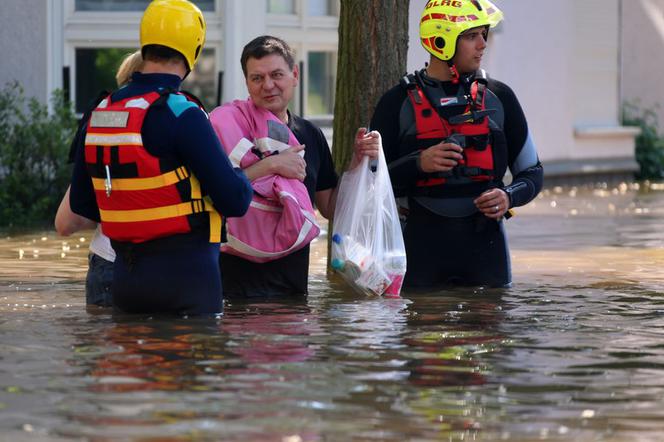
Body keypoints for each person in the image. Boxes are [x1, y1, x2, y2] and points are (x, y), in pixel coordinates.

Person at [68, 0, 252, 314]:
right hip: (187, 285)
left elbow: (82, 205)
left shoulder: (100, 111)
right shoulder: (181, 111)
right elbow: (235, 200)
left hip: (126, 285)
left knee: (132, 363)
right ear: (193, 48)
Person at [370, 0, 543, 289]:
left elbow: (533, 172)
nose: (482, 44)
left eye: (483, 34)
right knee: (419, 329)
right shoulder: (395, 103)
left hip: (486, 250)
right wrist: (418, 163)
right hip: (421, 251)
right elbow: (372, 184)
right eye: (471, 35)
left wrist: (508, 196)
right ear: (441, 41)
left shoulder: (500, 97)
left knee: (490, 331)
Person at [210, 35, 379, 297]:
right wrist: (272, 165)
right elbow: (217, 194)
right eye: (257, 78)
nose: (268, 85)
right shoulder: (229, 129)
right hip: (234, 290)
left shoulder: (310, 134)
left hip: (293, 289)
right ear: (247, 82)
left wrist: (357, 164)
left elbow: (331, 208)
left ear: (295, 75)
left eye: (277, 74)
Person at [55, 50, 143, 308]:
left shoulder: (102, 136)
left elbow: (65, 223)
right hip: (169, 267)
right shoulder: (178, 122)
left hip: (108, 260)